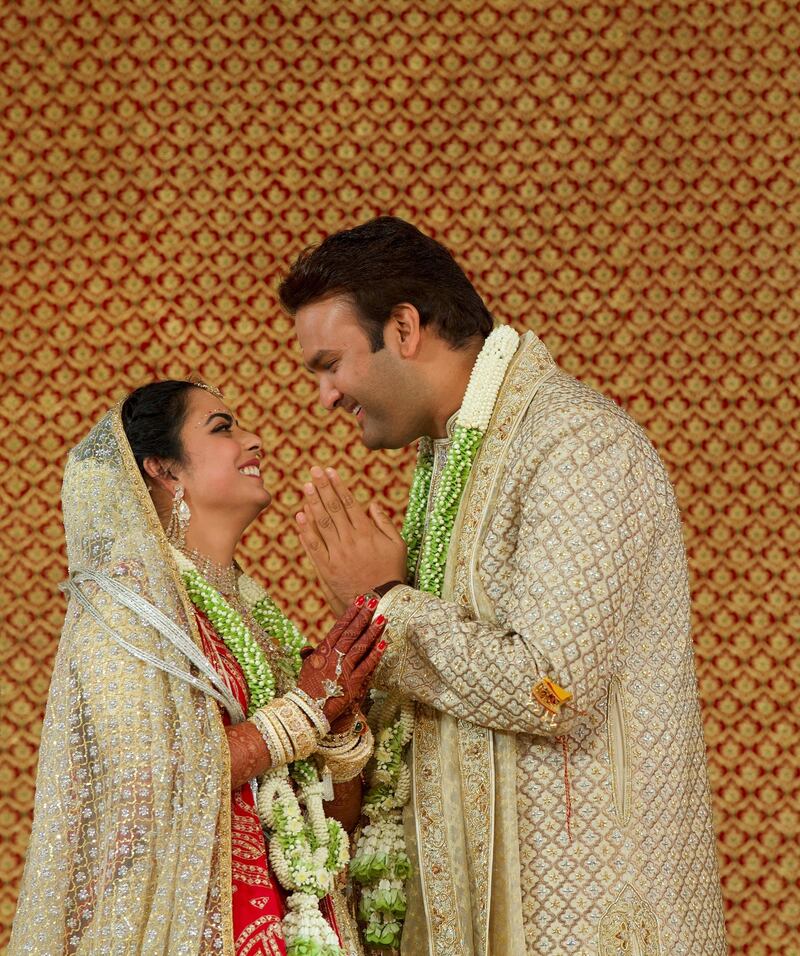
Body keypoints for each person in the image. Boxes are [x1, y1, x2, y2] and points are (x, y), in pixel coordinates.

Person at [277, 217, 729, 955]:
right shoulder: (453, 456)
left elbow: (552, 688)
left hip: (583, 917)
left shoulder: (576, 445)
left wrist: (387, 606)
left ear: (403, 327)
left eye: (329, 364)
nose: (324, 396)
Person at [9, 380, 388, 956]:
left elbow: (329, 813)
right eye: (223, 428)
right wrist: (306, 709)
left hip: (296, 925)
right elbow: (148, 780)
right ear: (164, 469)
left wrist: (337, 715)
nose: (254, 440)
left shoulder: (254, 613)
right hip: (186, 927)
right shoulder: (123, 604)